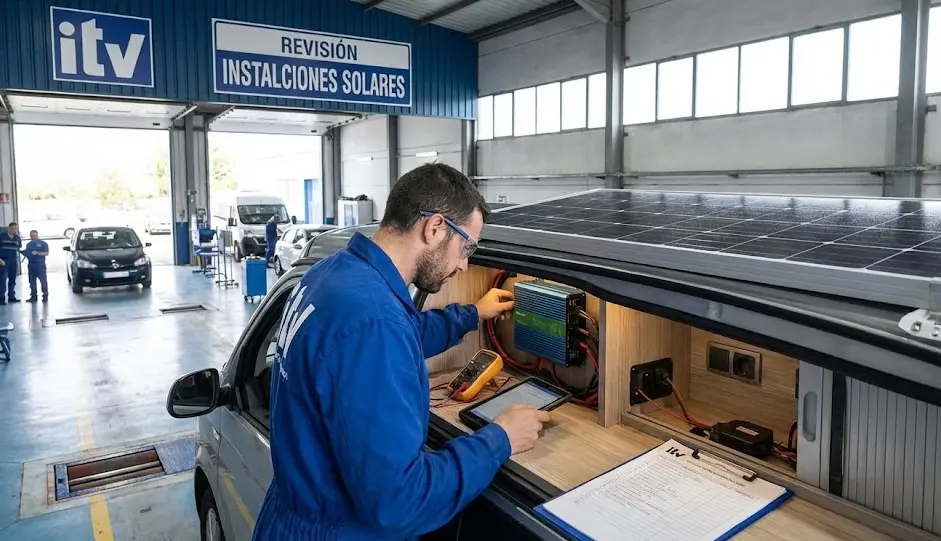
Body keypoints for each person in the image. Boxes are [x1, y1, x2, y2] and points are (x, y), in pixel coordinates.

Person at [253, 163, 551, 541]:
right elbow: (400, 503)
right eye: (467, 247)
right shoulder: (373, 320)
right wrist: (501, 438)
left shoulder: (334, 274)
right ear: (435, 228)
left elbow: (398, 335)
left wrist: (472, 314)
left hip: (294, 516)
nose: (463, 265)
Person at [22, 230, 49, 303]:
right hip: (31, 264)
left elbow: (46, 253)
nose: (33, 237)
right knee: (32, 281)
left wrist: (38, 253)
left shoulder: (43, 243)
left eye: (34, 235)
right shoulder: (29, 244)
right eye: (31, 236)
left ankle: (45, 296)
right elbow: (27, 252)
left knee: (43, 281)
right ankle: (33, 296)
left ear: (37, 235)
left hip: (40, 264)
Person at [0, 222, 22, 304]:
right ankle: (1, 298)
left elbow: (18, 247)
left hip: (13, 261)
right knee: (2, 280)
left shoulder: (17, 237)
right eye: (13, 229)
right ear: (9, 228)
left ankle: (11, 297)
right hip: (3, 261)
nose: (15, 230)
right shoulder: (2, 236)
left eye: (16, 229)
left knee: (12, 279)